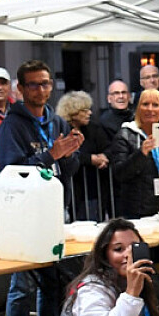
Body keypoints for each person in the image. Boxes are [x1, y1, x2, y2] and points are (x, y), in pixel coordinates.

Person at [0, 60, 84, 316]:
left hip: (55, 210)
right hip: (23, 216)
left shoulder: (57, 121)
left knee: (52, 283)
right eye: (33, 84)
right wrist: (52, 154)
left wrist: (71, 153)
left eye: (45, 83)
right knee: (23, 283)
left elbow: (68, 169)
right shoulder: (12, 125)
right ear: (21, 89)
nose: (41, 89)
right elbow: (13, 171)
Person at [111, 89, 159, 218]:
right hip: (136, 209)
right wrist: (141, 153)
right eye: (145, 104)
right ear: (138, 108)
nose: (150, 109)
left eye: (155, 105)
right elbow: (120, 174)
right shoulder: (125, 135)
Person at [57, 91, 112, 222]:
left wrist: (104, 157)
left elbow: (109, 147)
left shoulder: (94, 128)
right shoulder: (61, 131)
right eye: (85, 110)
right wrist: (90, 159)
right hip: (74, 190)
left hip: (95, 189)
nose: (90, 113)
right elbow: (64, 153)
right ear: (73, 112)